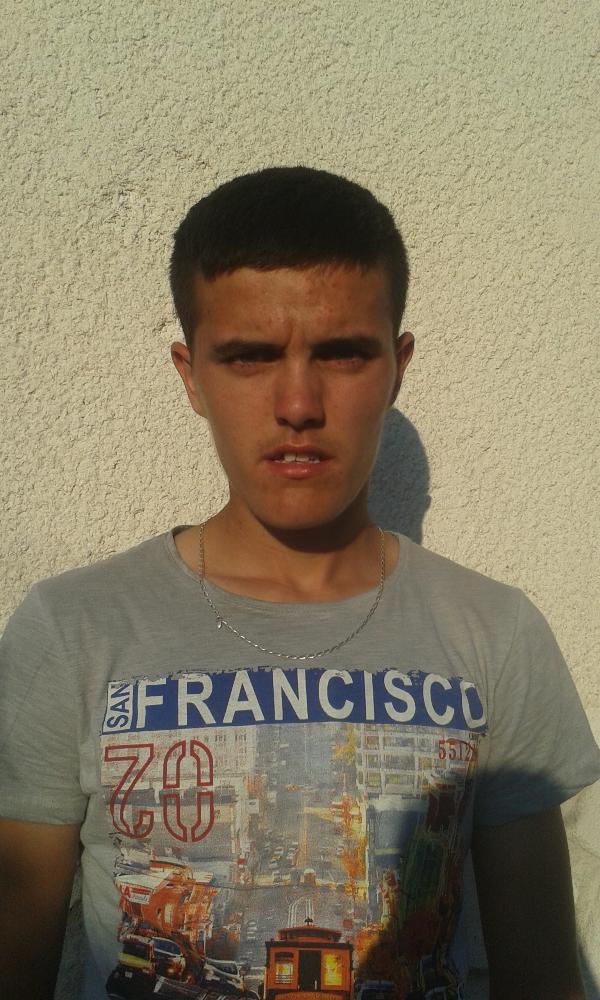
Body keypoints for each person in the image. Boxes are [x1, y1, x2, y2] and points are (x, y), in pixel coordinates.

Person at [1, 166, 598, 1000]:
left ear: (397, 366)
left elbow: (543, 974)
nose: (298, 404)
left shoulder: (494, 632)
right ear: (190, 376)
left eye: (343, 353)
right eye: (249, 357)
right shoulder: (72, 629)